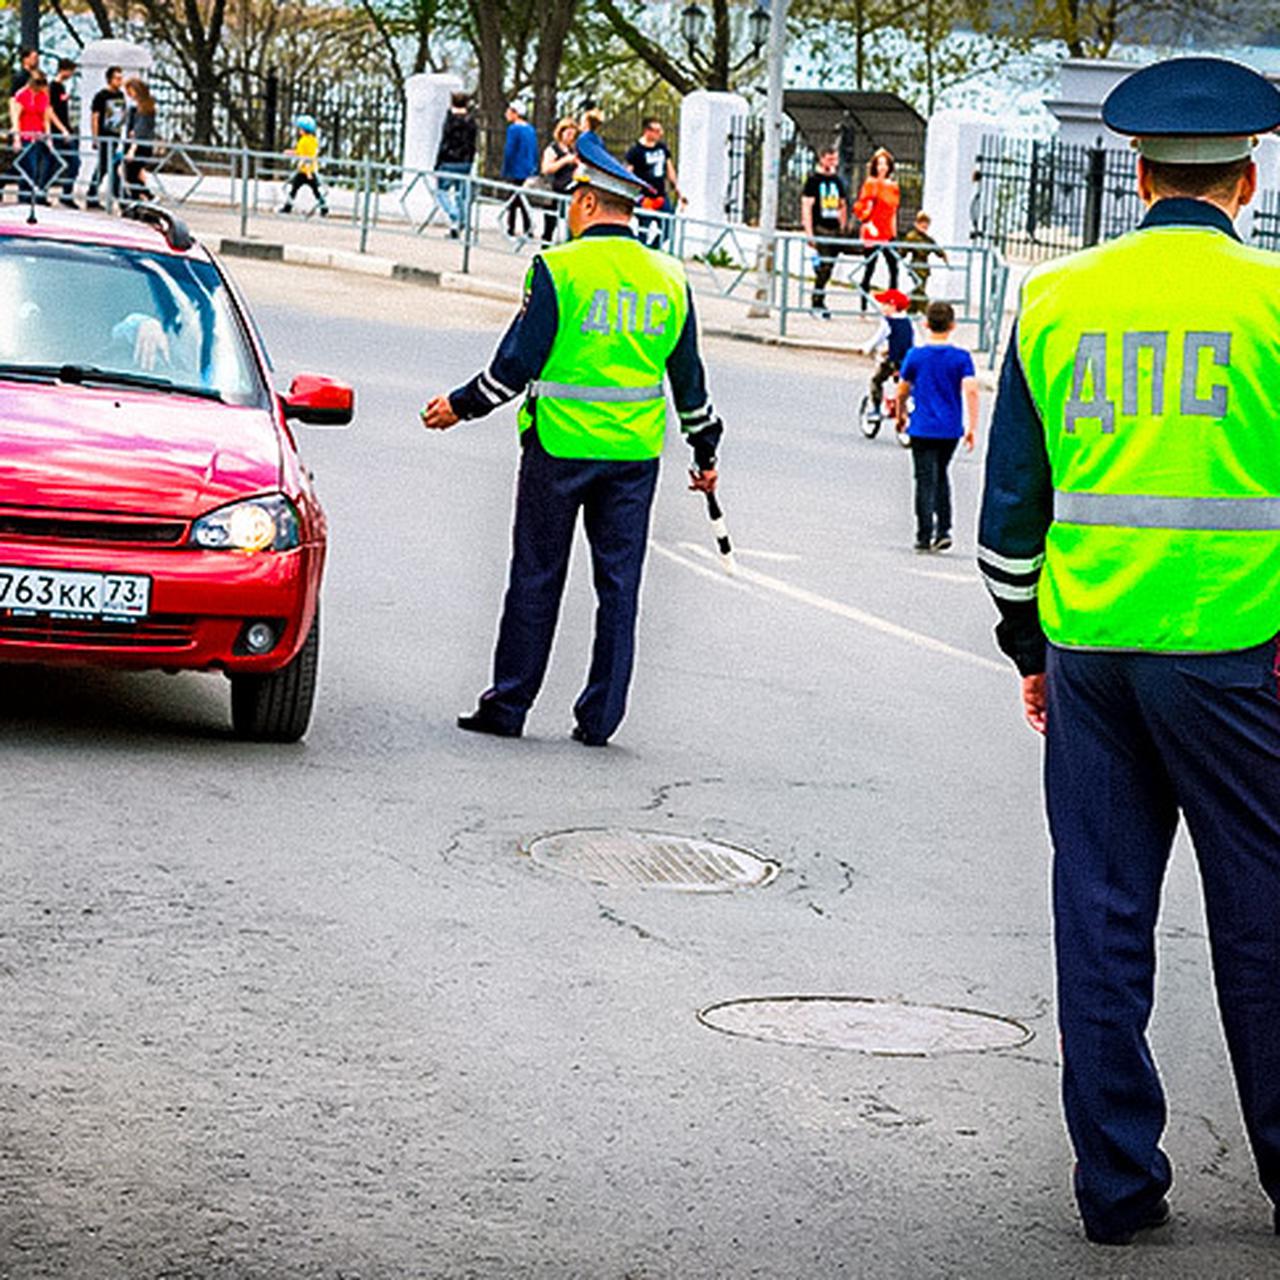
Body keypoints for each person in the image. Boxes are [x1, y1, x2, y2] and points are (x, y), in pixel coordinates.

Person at [977, 56, 1280, 1247]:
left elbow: (1010, 513)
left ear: (1135, 173)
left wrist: (1025, 647)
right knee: (1257, 914)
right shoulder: (1269, 302)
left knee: (1099, 912)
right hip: (1230, 649)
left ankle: (1113, 1181)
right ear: (1244, 179)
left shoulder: (1052, 302)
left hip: (1089, 648)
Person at [419, 133, 724, 747]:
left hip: (557, 449)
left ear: (584, 202)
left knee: (536, 575)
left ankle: (509, 706)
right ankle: (600, 719)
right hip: (634, 458)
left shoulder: (557, 268)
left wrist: (460, 406)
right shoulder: (669, 277)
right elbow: (688, 378)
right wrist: (705, 453)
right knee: (620, 586)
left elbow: (515, 365)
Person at [897, 300, 976, 552]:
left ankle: (923, 534)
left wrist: (900, 415)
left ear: (925, 324)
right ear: (952, 325)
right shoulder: (961, 358)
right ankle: (944, 529)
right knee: (941, 474)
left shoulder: (915, 356)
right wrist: (972, 425)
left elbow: (902, 389)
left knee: (924, 479)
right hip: (950, 428)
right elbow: (971, 390)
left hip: (921, 426)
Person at [800, 145, 848, 318]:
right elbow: (807, 206)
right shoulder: (813, 180)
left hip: (834, 226)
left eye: (834, 159)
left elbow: (842, 204)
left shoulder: (837, 180)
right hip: (820, 226)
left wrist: (843, 226)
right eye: (829, 159)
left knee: (829, 266)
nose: (832, 163)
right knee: (826, 266)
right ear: (822, 159)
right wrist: (809, 231)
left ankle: (818, 274)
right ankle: (817, 302)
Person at [10, 70, 67, 205]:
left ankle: (32, 195)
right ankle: (24, 197)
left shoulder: (43, 96)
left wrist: (49, 139)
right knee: (30, 166)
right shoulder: (21, 95)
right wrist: (17, 138)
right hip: (26, 136)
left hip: (39, 136)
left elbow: (46, 119)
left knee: (41, 167)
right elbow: (16, 118)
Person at [625, 117, 682, 247]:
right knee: (644, 229)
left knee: (668, 226)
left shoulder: (662, 148)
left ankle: (653, 248)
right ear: (647, 131)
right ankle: (641, 251)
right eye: (656, 130)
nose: (660, 134)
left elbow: (669, 169)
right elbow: (629, 173)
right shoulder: (636, 151)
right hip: (645, 197)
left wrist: (676, 187)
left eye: (660, 130)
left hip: (660, 195)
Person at [859, 288, 914, 422]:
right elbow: (916, 341)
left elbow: (877, 338)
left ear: (893, 306)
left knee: (876, 381)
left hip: (892, 361)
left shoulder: (887, 323)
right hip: (907, 361)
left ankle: (876, 410)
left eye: (884, 304)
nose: (882, 307)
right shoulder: (909, 322)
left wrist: (866, 348)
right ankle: (909, 402)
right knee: (907, 383)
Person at [854, 147, 901, 298]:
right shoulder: (871, 183)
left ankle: (892, 301)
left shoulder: (893, 186)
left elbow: (893, 210)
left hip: (888, 231)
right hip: (873, 229)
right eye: (880, 164)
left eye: (885, 164)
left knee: (894, 267)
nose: (882, 167)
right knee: (870, 268)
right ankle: (864, 302)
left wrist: (894, 232)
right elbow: (862, 206)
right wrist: (868, 224)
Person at [434, 91, 476, 238]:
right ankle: (460, 223)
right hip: (465, 162)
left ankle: (455, 216)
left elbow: (444, 142)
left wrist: (437, 162)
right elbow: (472, 144)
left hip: (448, 161)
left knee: (441, 192)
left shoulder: (450, 120)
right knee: (461, 194)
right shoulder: (471, 121)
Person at [85, 65, 126, 208]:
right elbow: (95, 117)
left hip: (114, 135)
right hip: (104, 136)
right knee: (105, 166)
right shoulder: (101, 96)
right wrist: (95, 137)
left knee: (110, 166)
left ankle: (116, 196)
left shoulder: (120, 95)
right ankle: (117, 197)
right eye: (117, 78)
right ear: (109, 79)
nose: (120, 81)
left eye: (121, 78)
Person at [500, 101, 538, 239]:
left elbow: (509, 150)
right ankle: (525, 226)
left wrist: (506, 168)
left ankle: (513, 226)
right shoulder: (530, 129)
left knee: (514, 198)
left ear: (515, 113)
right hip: (527, 168)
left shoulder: (513, 129)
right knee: (520, 198)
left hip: (516, 168)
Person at [538, 117, 578, 246]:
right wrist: (564, 161)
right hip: (554, 191)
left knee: (571, 227)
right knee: (550, 226)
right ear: (561, 133)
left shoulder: (572, 150)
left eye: (573, 134)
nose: (571, 137)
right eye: (568, 133)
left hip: (570, 191)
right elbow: (546, 169)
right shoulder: (553, 149)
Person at [280, 114, 328, 216]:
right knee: (314, 191)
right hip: (311, 170)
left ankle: (287, 208)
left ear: (303, 129)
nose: (299, 130)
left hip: (304, 171)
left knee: (294, 190)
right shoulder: (313, 140)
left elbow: (305, 157)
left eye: (300, 128)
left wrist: (307, 172)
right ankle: (324, 208)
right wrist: (291, 152)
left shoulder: (303, 141)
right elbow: (305, 153)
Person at [47, 57, 80, 207]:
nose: (72, 74)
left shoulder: (62, 87)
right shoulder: (53, 87)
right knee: (67, 162)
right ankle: (47, 191)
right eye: (71, 71)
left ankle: (65, 193)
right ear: (65, 70)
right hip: (58, 132)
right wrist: (62, 129)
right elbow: (50, 111)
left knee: (63, 162)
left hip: (65, 130)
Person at [119, 77, 157, 203]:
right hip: (141, 145)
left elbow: (140, 131)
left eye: (130, 90)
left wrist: (132, 150)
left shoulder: (144, 108)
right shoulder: (142, 107)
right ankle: (139, 199)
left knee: (130, 175)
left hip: (138, 147)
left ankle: (146, 197)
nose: (129, 94)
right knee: (132, 174)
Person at [902, 211, 948, 314]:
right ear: (917, 224)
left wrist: (943, 256)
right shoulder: (912, 236)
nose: (924, 227)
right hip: (916, 266)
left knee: (919, 289)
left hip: (924, 267)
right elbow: (903, 249)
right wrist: (898, 255)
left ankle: (910, 310)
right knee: (919, 289)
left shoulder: (927, 239)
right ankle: (929, 312)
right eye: (922, 224)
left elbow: (936, 248)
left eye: (926, 225)